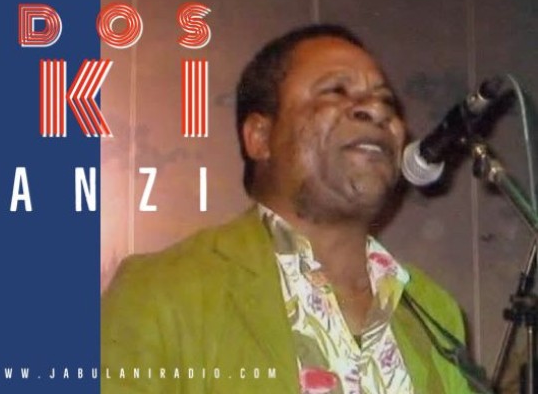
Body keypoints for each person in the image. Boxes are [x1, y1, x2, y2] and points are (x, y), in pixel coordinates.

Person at [101, 24, 485, 393]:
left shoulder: (434, 310)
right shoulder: (161, 290)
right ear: (260, 137)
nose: (376, 111)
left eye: (386, 102)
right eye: (335, 91)